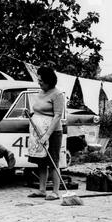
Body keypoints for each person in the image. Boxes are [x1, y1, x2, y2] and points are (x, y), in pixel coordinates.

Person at [27, 66, 65, 200]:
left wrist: (47, 135)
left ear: (49, 81)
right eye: (38, 80)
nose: (39, 82)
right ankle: (42, 190)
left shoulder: (57, 94)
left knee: (53, 161)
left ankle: (55, 192)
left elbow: (57, 116)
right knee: (41, 161)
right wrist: (31, 115)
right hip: (38, 131)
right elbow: (39, 110)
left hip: (52, 132)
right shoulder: (40, 92)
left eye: (41, 81)